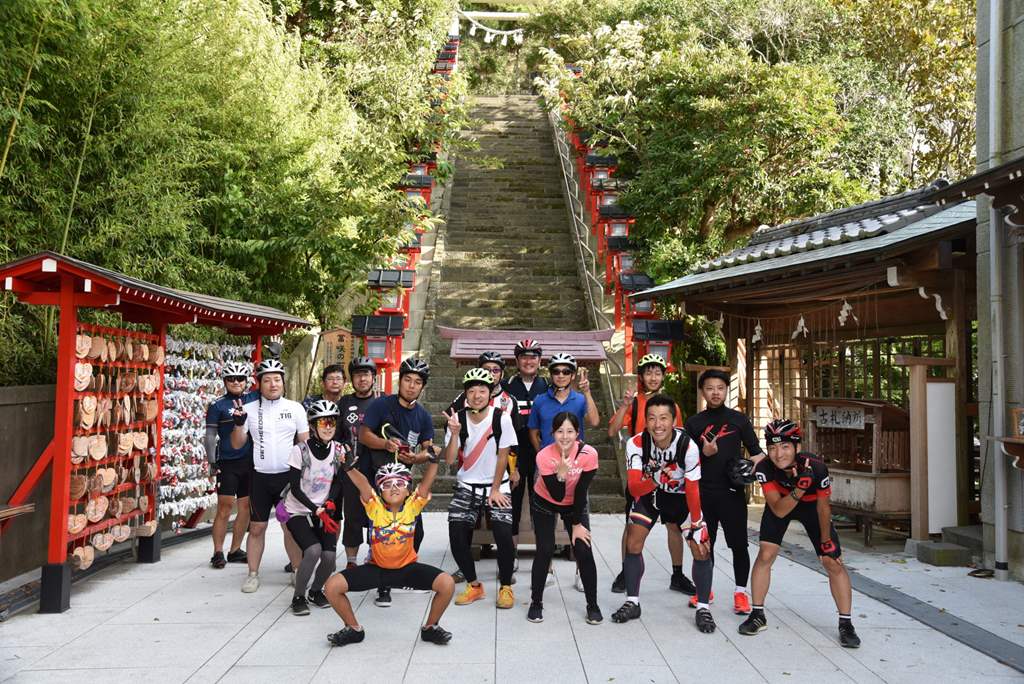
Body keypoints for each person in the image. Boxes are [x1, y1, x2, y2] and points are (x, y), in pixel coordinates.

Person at [740, 419, 861, 648]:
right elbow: (778, 509)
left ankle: (846, 624)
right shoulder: (764, 468)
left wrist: (826, 542)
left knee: (832, 561)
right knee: (766, 554)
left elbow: (823, 507)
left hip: (813, 508)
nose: (778, 454)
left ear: (797, 446)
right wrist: (800, 487)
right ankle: (757, 614)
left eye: (785, 446)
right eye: (772, 447)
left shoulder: (816, 467)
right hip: (783, 503)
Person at [613, 394, 716, 634]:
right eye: (652, 418)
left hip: (681, 498)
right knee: (632, 542)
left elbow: (693, 488)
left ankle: (703, 607)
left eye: (663, 418)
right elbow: (634, 488)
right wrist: (657, 478)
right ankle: (632, 601)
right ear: (646, 421)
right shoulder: (636, 443)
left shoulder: (688, 446)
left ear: (674, 421)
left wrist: (697, 523)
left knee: (701, 546)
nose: (657, 425)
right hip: (650, 494)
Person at [323, 460, 455, 647]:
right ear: (380, 492)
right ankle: (353, 629)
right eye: (387, 484)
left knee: (447, 584)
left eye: (399, 483)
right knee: (331, 587)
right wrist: (350, 468)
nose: (393, 488)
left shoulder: (412, 507)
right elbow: (363, 485)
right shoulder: (374, 508)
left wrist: (434, 462)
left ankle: (430, 627)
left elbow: (426, 484)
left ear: (408, 490)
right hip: (377, 570)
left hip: (407, 569)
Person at [606, 354, 692, 596]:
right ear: (642, 376)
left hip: (668, 475)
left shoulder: (672, 406)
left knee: (674, 525)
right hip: (641, 475)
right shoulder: (636, 403)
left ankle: (677, 574)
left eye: (657, 372)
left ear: (663, 376)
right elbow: (612, 430)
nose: (653, 377)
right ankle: (626, 571)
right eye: (648, 372)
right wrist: (625, 405)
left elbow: (680, 438)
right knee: (632, 525)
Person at [683, 368, 764, 614]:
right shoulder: (694, 423)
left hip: (732, 493)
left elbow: (757, 453)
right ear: (702, 391)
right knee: (704, 544)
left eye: (720, 388)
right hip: (704, 493)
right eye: (710, 388)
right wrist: (703, 452)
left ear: (726, 389)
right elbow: (684, 460)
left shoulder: (739, 420)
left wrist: (752, 471)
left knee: (739, 545)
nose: (715, 392)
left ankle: (740, 593)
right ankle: (705, 590)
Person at [358, 356, 435, 607]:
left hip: (404, 484)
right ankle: (383, 585)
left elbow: (429, 449)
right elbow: (363, 434)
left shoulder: (423, 416)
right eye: (407, 380)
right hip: (379, 479)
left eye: (417, 382)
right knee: (381, 532)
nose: (411, 386)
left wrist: (417, 457)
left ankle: (406, 574)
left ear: (422, 387)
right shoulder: (381, 405)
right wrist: (385, 444)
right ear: (399, 381)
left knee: (416, 531)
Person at [230, 358, 309, 594]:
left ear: (283, 382)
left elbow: (305, 445)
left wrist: (308, 477)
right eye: (267, 380)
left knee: (290, 528)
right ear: (259, 384)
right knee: (257, 528)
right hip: (260, 478)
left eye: (277, 379)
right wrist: (238, 425)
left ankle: (297, 570)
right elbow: (237, 444)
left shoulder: (295, 408)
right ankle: (252, 574)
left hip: (288, 479)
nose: (273, 384)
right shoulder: (249, 408)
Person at [443, 368, 518, 608]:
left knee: (504, 536)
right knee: (456, 534)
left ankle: (505, 587)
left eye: (482, 390)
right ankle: (474, 585)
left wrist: (495, 490)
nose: (477, 395)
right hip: (467, 484)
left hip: (497, 485)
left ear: (490, 393)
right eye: (472, 391)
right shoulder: (458, 419)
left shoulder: (501, 418)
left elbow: (503, 455)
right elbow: (450, 459)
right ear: (465, 394)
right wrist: (454, 433)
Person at [528, 412, 602, 625]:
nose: (565, 436)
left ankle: (592, 605)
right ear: (552, 433)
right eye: (560, 431)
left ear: (578, 433)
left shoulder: (589, 454)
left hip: (574, 504)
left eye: (570, 431)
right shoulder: (544, 456)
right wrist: (561, 474)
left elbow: (581, 491)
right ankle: (536, 602)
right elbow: (557, 495)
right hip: (545, 501)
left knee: (583, 549)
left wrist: (577, 524)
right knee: (545, 549)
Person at [281, 400, 346, 615]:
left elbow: (338, 481)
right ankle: (299, 596)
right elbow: (295, 488)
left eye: (332, 423)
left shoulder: (338, 449)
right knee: (313, 550)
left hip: (323, 510)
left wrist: (329, 502)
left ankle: (316, 591)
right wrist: (314, 507)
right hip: (298, 510)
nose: (328, 427)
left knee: (329, 557)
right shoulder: (299, 451)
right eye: (322, 423)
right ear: (312, 426)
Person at [204, 361, 256, 569]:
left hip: (249, 462)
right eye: (231, 379)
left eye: (240, 378)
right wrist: (211, 461)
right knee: (224, 507)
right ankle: (217, 552)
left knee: (245, 507)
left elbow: (274, 385)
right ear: (225, 381)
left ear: (246, 381)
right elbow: (210, 435)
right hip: (227, 462)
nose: (236, 382)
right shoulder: (217, 405)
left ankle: (235, 550)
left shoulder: (254, 399)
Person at [503, 340, 548, 564]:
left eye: (533, 357)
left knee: (540, 506)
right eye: (523, 356)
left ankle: (543, 557)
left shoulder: (548, 385)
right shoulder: (507, 385)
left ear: (540, 361)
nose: (528, 361)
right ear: (516, 360)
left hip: (541, 453)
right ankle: (510, 557)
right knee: (513, 505)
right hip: (514, 454)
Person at [335, 356, 381, 569]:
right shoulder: (344, 402)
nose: (362, 379)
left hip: (377, 469)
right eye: (358, 375)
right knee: (352, 516)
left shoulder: (383, 402)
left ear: (373, 377)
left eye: (366, 374)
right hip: (351, 469)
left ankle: (376, 555)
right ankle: (351, 561)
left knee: (378, 515)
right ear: (352, 379)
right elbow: (336, 435)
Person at [527, 353, 599, 451]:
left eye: (566, 372)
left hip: (575, 457)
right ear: (551, 375)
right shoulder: (539, 401)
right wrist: (541, 454)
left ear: (573, 375)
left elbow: (594, 422)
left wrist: (587, 392)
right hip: (549, 458)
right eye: (556, 372)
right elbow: (533, 433)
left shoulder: (581, 399)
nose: (561, 375)